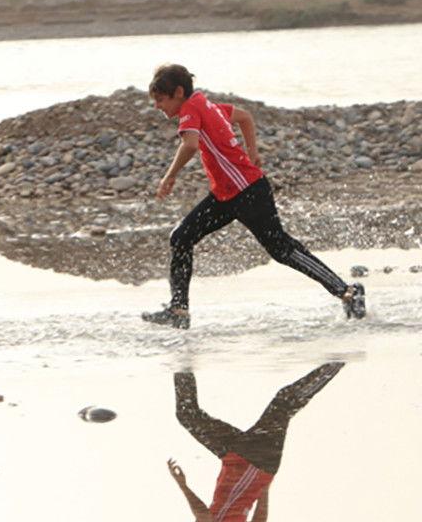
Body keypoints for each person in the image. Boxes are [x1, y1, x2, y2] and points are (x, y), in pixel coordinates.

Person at [142, 64, 365, 329]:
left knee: (281, 249)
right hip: (226, 195)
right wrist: (253, 151)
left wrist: (169, 176)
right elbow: (246, 116)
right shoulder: (208, 105)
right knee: (181, 237)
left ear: (179, 92)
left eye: (161, 100)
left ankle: (348, 291)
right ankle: (178, 311)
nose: (157, 106)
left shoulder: (191, 108)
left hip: (248, 193)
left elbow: (189, 144)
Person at [165, 361, 343, 522]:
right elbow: (203, 515)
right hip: (249, 460)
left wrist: (263, 489)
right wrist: (182, 484)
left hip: (244, 461)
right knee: (284, 403)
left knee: (189, 416)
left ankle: (182, 354)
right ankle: (339, 359)